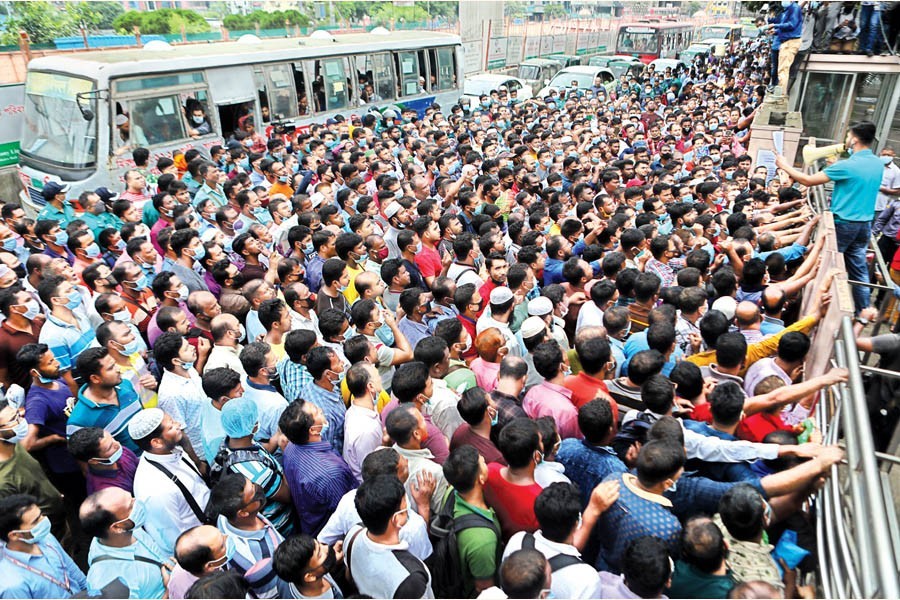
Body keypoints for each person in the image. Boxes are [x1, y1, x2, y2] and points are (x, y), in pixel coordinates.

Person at [775, 121, 883, 312]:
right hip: (864, 224)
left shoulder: (847, 166)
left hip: (843, 224)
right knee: (859, 271)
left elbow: (807, 180)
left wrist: (784, 166)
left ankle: (815, 309)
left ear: (855, 139)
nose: (847, 140)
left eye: (849, 136)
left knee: (825, 265)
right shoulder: (877, 163)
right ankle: (862, 311)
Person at [343, 475, 434, 599]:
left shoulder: (353, 534)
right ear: (397, 519)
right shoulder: (410, 577)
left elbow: (349, 576)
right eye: (405, 509)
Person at [0, 494, 87, 598]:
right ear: (15, 535)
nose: (44, 520)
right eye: (36, 521)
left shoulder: (46, 538)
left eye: (41, 514)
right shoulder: (12, 586)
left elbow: (74, 572)